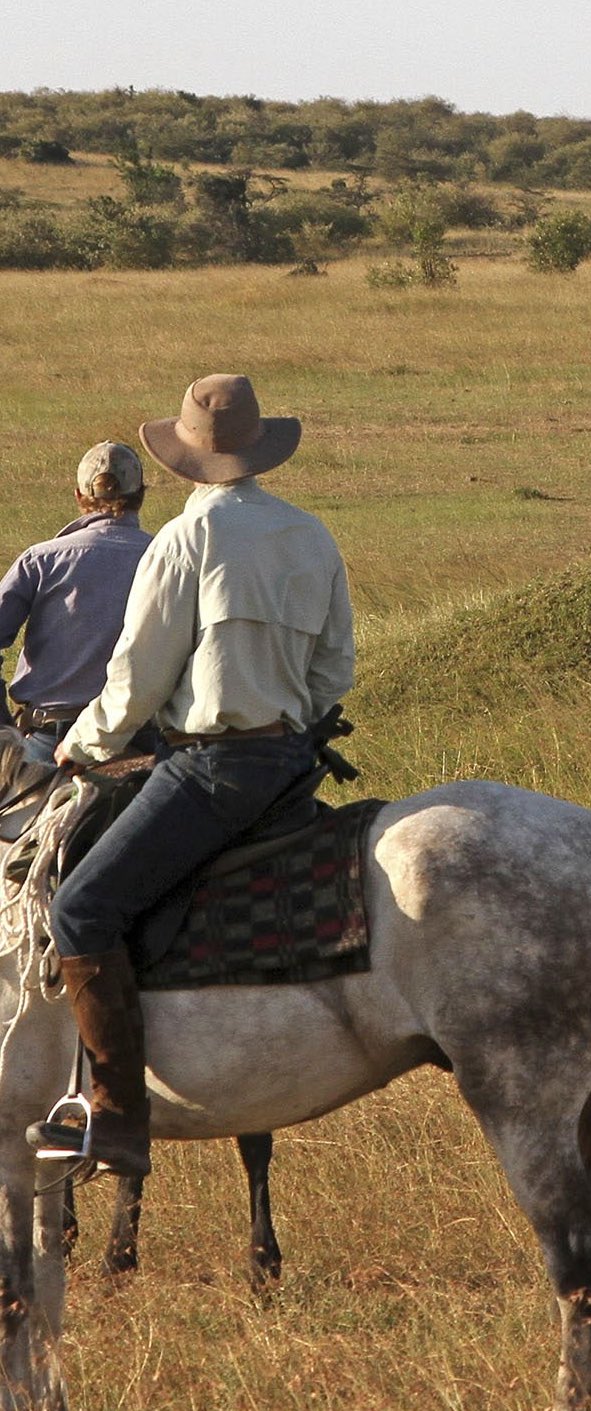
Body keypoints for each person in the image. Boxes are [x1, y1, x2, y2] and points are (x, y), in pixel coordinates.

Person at [27, 374, 355, 1177]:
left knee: (81, 905)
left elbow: (137, 679)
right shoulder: (311, 536)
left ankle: (117, 1118)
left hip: (209, 766)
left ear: (181, 460)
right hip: (288, 763)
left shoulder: (186, 540)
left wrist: (82, 746)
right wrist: (286, 716)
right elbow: (334, 668)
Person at [0, 442, 153, 762]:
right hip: (139, 737)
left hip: (48, 738)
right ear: (141, 495)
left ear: (79, 496)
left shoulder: (41, 559)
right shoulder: (165, 556)